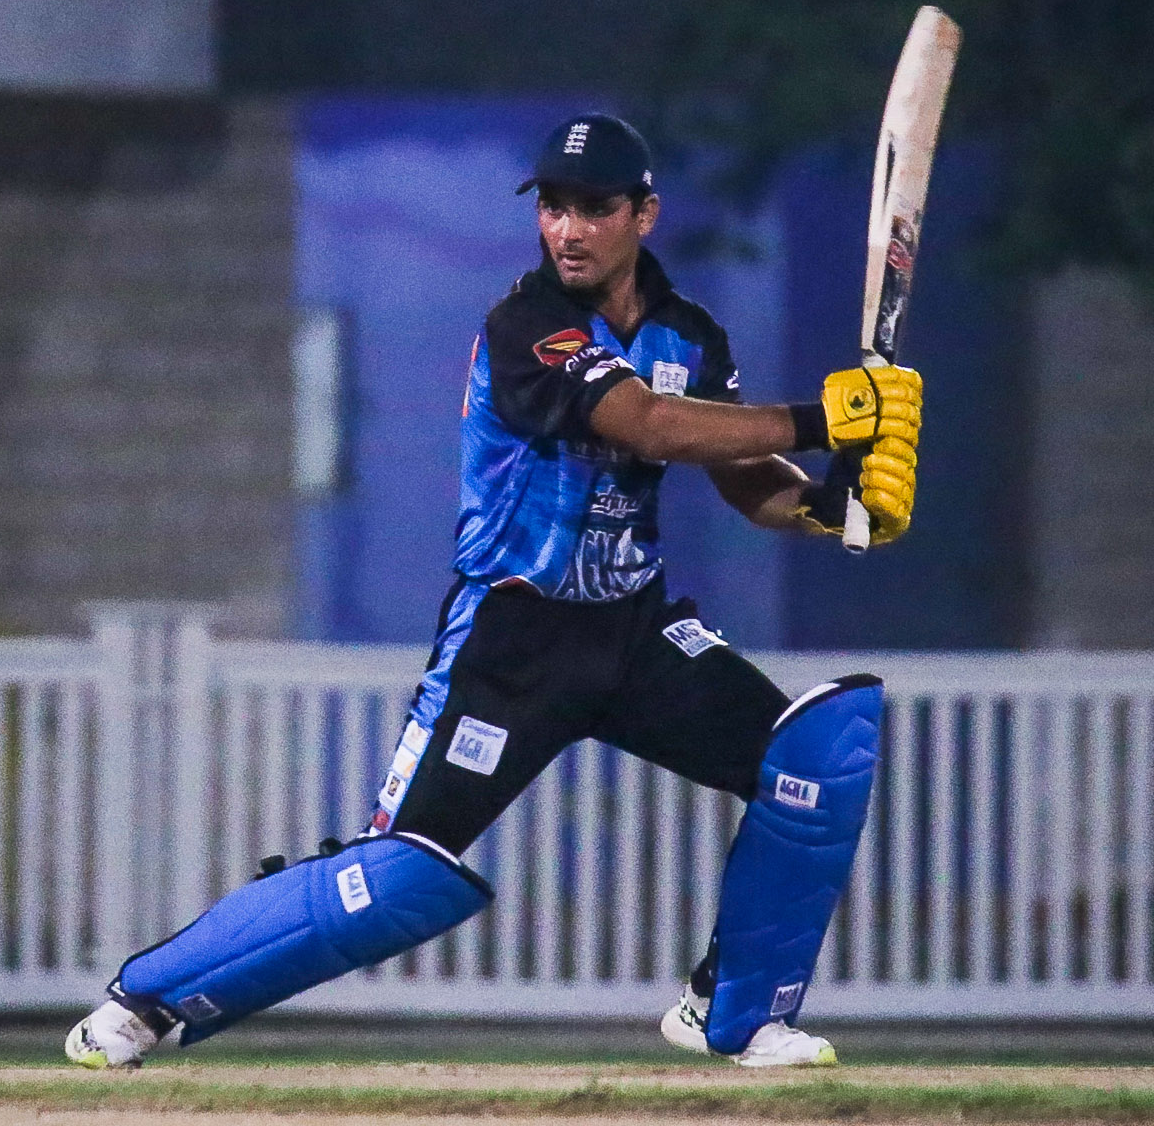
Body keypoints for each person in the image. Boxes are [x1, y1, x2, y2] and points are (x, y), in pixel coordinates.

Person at [65, 113, 921, 1069]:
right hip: (512, 643)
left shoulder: (689, 335)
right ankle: (143, 1002)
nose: (568, 231)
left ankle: (732, 1009)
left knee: (814, 766)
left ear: (643, 214)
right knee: (399, 875)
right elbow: (649, 427)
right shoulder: (527, 326)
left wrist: (829, 503)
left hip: (635, 634)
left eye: (593, 209)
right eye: (552, 207)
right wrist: (826, 417)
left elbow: (744, 478)